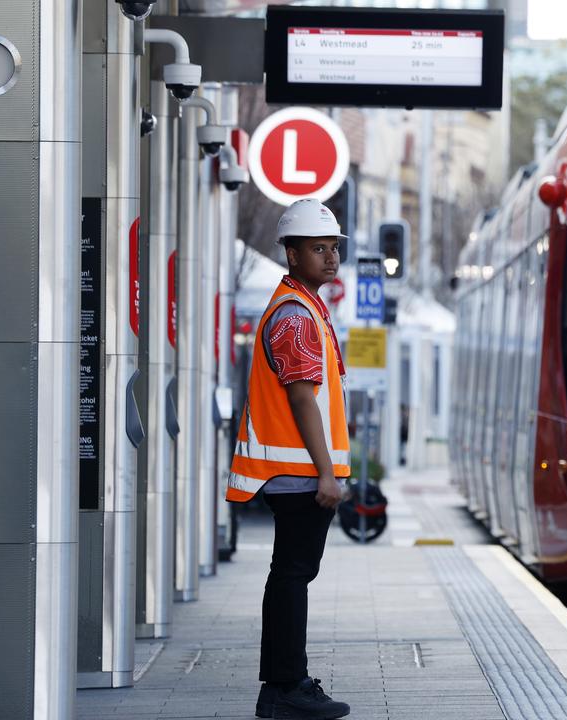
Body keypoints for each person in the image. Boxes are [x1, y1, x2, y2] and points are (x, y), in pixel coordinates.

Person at [225, 198, 352, 720]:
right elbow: (302, 396)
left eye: (333, 248)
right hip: (298, 473)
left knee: (291, 575)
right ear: (291, 254)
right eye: (317, 249)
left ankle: (283, 686)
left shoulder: (303, 308)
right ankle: (285, 688)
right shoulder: (296, 316)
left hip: (297, 472)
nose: (330, 258)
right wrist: (326, 472)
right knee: (292, 577)